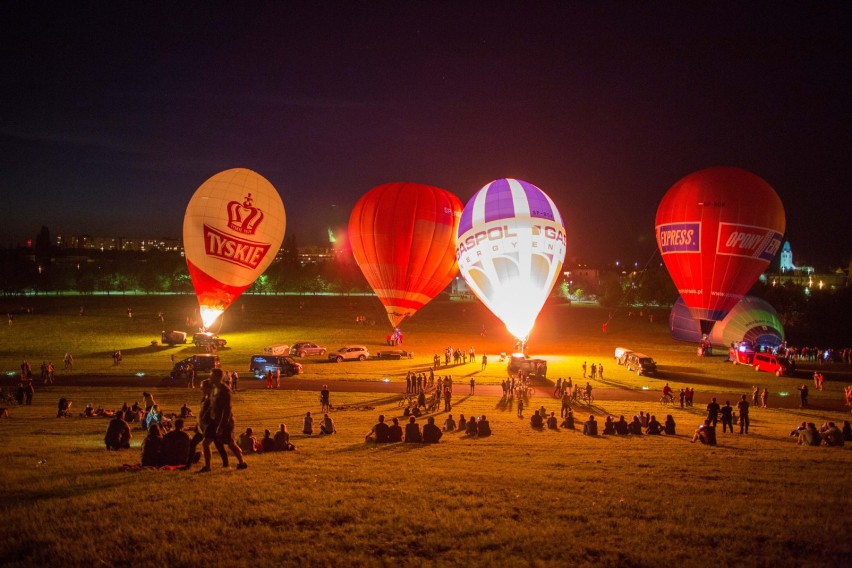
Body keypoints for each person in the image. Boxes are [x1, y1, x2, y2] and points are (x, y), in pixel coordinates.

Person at [201, 368, 247, 472]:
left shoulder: (225, 391)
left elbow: (227, 410)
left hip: (224, 422)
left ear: (217, 377)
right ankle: (207, 467)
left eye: (212, 375)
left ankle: (242, 462)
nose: (210, 377)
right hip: (213, 421)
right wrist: (206, 415)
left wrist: (221, 426)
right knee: (205, 443)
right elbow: (212, 404)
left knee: (231, 444)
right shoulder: (214, 389)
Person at [187, 380, 227, 469]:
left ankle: (220, 464)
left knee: (217, 445)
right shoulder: (204, 398)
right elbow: (201, 413)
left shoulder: (213, 399)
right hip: (203, 426)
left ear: (209, 388)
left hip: (210, 426)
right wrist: (198, 424)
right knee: (195, 443)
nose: (202, 390)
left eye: (203, 388)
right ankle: (188, 464)